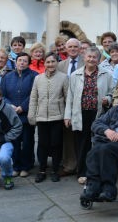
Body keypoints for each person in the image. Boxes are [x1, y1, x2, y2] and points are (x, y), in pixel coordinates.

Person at [65, 47, 114, 185]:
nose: (91, 59)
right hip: (80, 114)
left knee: (97, 144)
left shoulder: (107, 74)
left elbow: (113, 92)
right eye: (89, 57)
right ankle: (82, 172)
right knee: (81, 145)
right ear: (84, 58)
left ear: (99, 59)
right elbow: (70, 96)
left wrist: (108, 99)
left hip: (98, 114)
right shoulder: (75, 75)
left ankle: (96, 172)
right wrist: (67, 116)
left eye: (94, 57)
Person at [27, 53, 69, 183]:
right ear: (44, 63)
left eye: (53, 62)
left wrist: (67, 116)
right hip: (42, 118)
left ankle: (55, 170)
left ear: (57, 63)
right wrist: (31, 114)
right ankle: (42, 170)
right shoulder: (38, 78)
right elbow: (34, 98)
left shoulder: (63, 78)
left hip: (57, 117)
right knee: (42, 144)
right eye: (48, 62)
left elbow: (68, 98)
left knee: (56, 144)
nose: (50, 64)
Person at [0, 52, 37, 178]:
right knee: (14, 141)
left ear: (29, 63)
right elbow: (2, 95)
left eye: (25, 61)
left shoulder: (34, 76)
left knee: (27, 142)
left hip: (26, 115)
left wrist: (23, 107)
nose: (22, 63)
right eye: (20, 60)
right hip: (12, 116)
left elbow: (34, 94)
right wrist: (10, 105)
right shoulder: (7, 77)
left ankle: (26, 166)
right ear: (16, 62)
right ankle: (16, 166)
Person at [57, 37, 85, 176]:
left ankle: (82, 166)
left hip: (82, 104)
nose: (73, 49)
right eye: (70, 47)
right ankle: (69, 165)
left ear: (80, 49)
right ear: (66, 49)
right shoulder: (61, 65)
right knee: (67, 136)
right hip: (65, 105)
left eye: (75, 47)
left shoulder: (87, 62)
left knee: (81, 136)